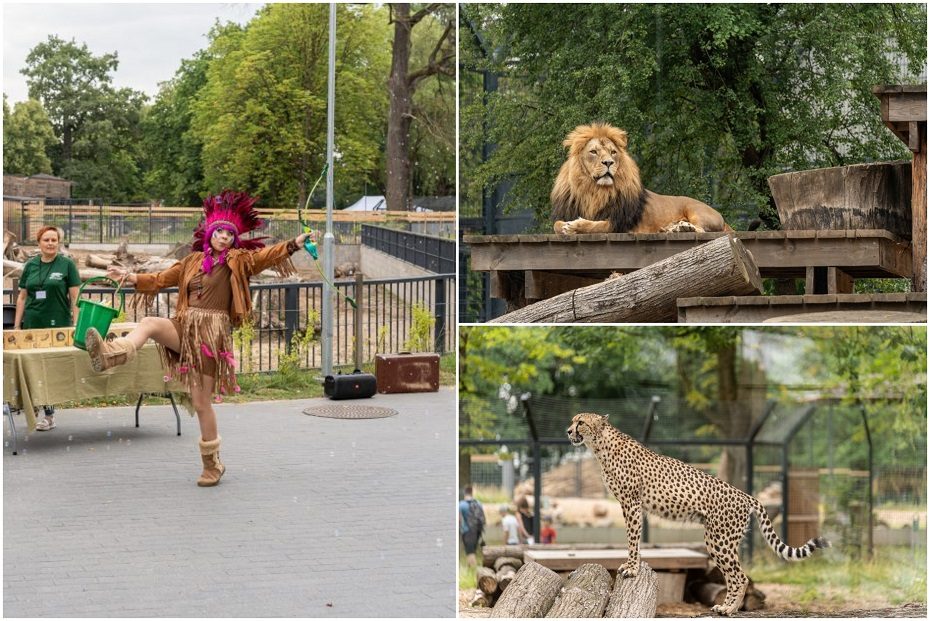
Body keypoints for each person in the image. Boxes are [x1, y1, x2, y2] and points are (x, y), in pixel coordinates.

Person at [83, 190, 310, 487]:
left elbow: (264, 257)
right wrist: (128, 276)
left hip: (210, 334)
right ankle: (113, 353)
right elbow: (159, 280)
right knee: (150, 322)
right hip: (183, 324)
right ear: (210, 234)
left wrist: (293, 244)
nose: (224, 238)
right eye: (219, 233)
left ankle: (212, 465)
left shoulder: (239, 261)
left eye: (229, 235)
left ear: (234, 239)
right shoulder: (191, 261)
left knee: (201, 403)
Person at [14, 225, 81, 431]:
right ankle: (33, 406)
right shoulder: (31, 265)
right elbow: (23, 297)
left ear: (58, 242)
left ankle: (49, 415)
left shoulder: (67, 265)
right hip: (33, 325)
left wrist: (76, 325)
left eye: (54, 240)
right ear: (39, 243)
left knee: (49, 370)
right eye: (46, 240)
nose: (51, 243)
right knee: (31, 368)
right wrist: (17, 325)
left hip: (58, 325)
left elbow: (75, 297)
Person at [458, 485, 486, 567]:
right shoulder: (478, 503)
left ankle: (475, 571)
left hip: (467, 531)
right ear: (472, 493)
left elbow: (458, 519)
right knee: (472, 551)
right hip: (477, 531)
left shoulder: (461, 504)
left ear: (464, 493)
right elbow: (482, 517)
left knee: (470, 553)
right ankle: (469, 571)